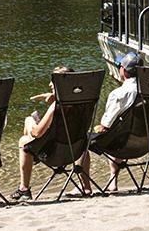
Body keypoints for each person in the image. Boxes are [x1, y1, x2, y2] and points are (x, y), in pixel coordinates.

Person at [11, 67, 94, 201]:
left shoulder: (55, 107)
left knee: (25, 137)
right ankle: (86, 186)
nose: (50, 84)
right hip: (76, 151)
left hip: (54, 155)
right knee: (80, 139)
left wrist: (30, 124)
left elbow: (37, 133)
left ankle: (24, 188)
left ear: (61, 84)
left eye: (53, 81)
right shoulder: (85, 103)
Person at [94, 54, 142, 193]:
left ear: (124, 70)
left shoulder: (119, 93)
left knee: (84, 138)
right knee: (120, 133)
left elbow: (105, 125)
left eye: (119, 66)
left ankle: (84, 186)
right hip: (143, 140)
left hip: (122, 142)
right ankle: (112, 181)